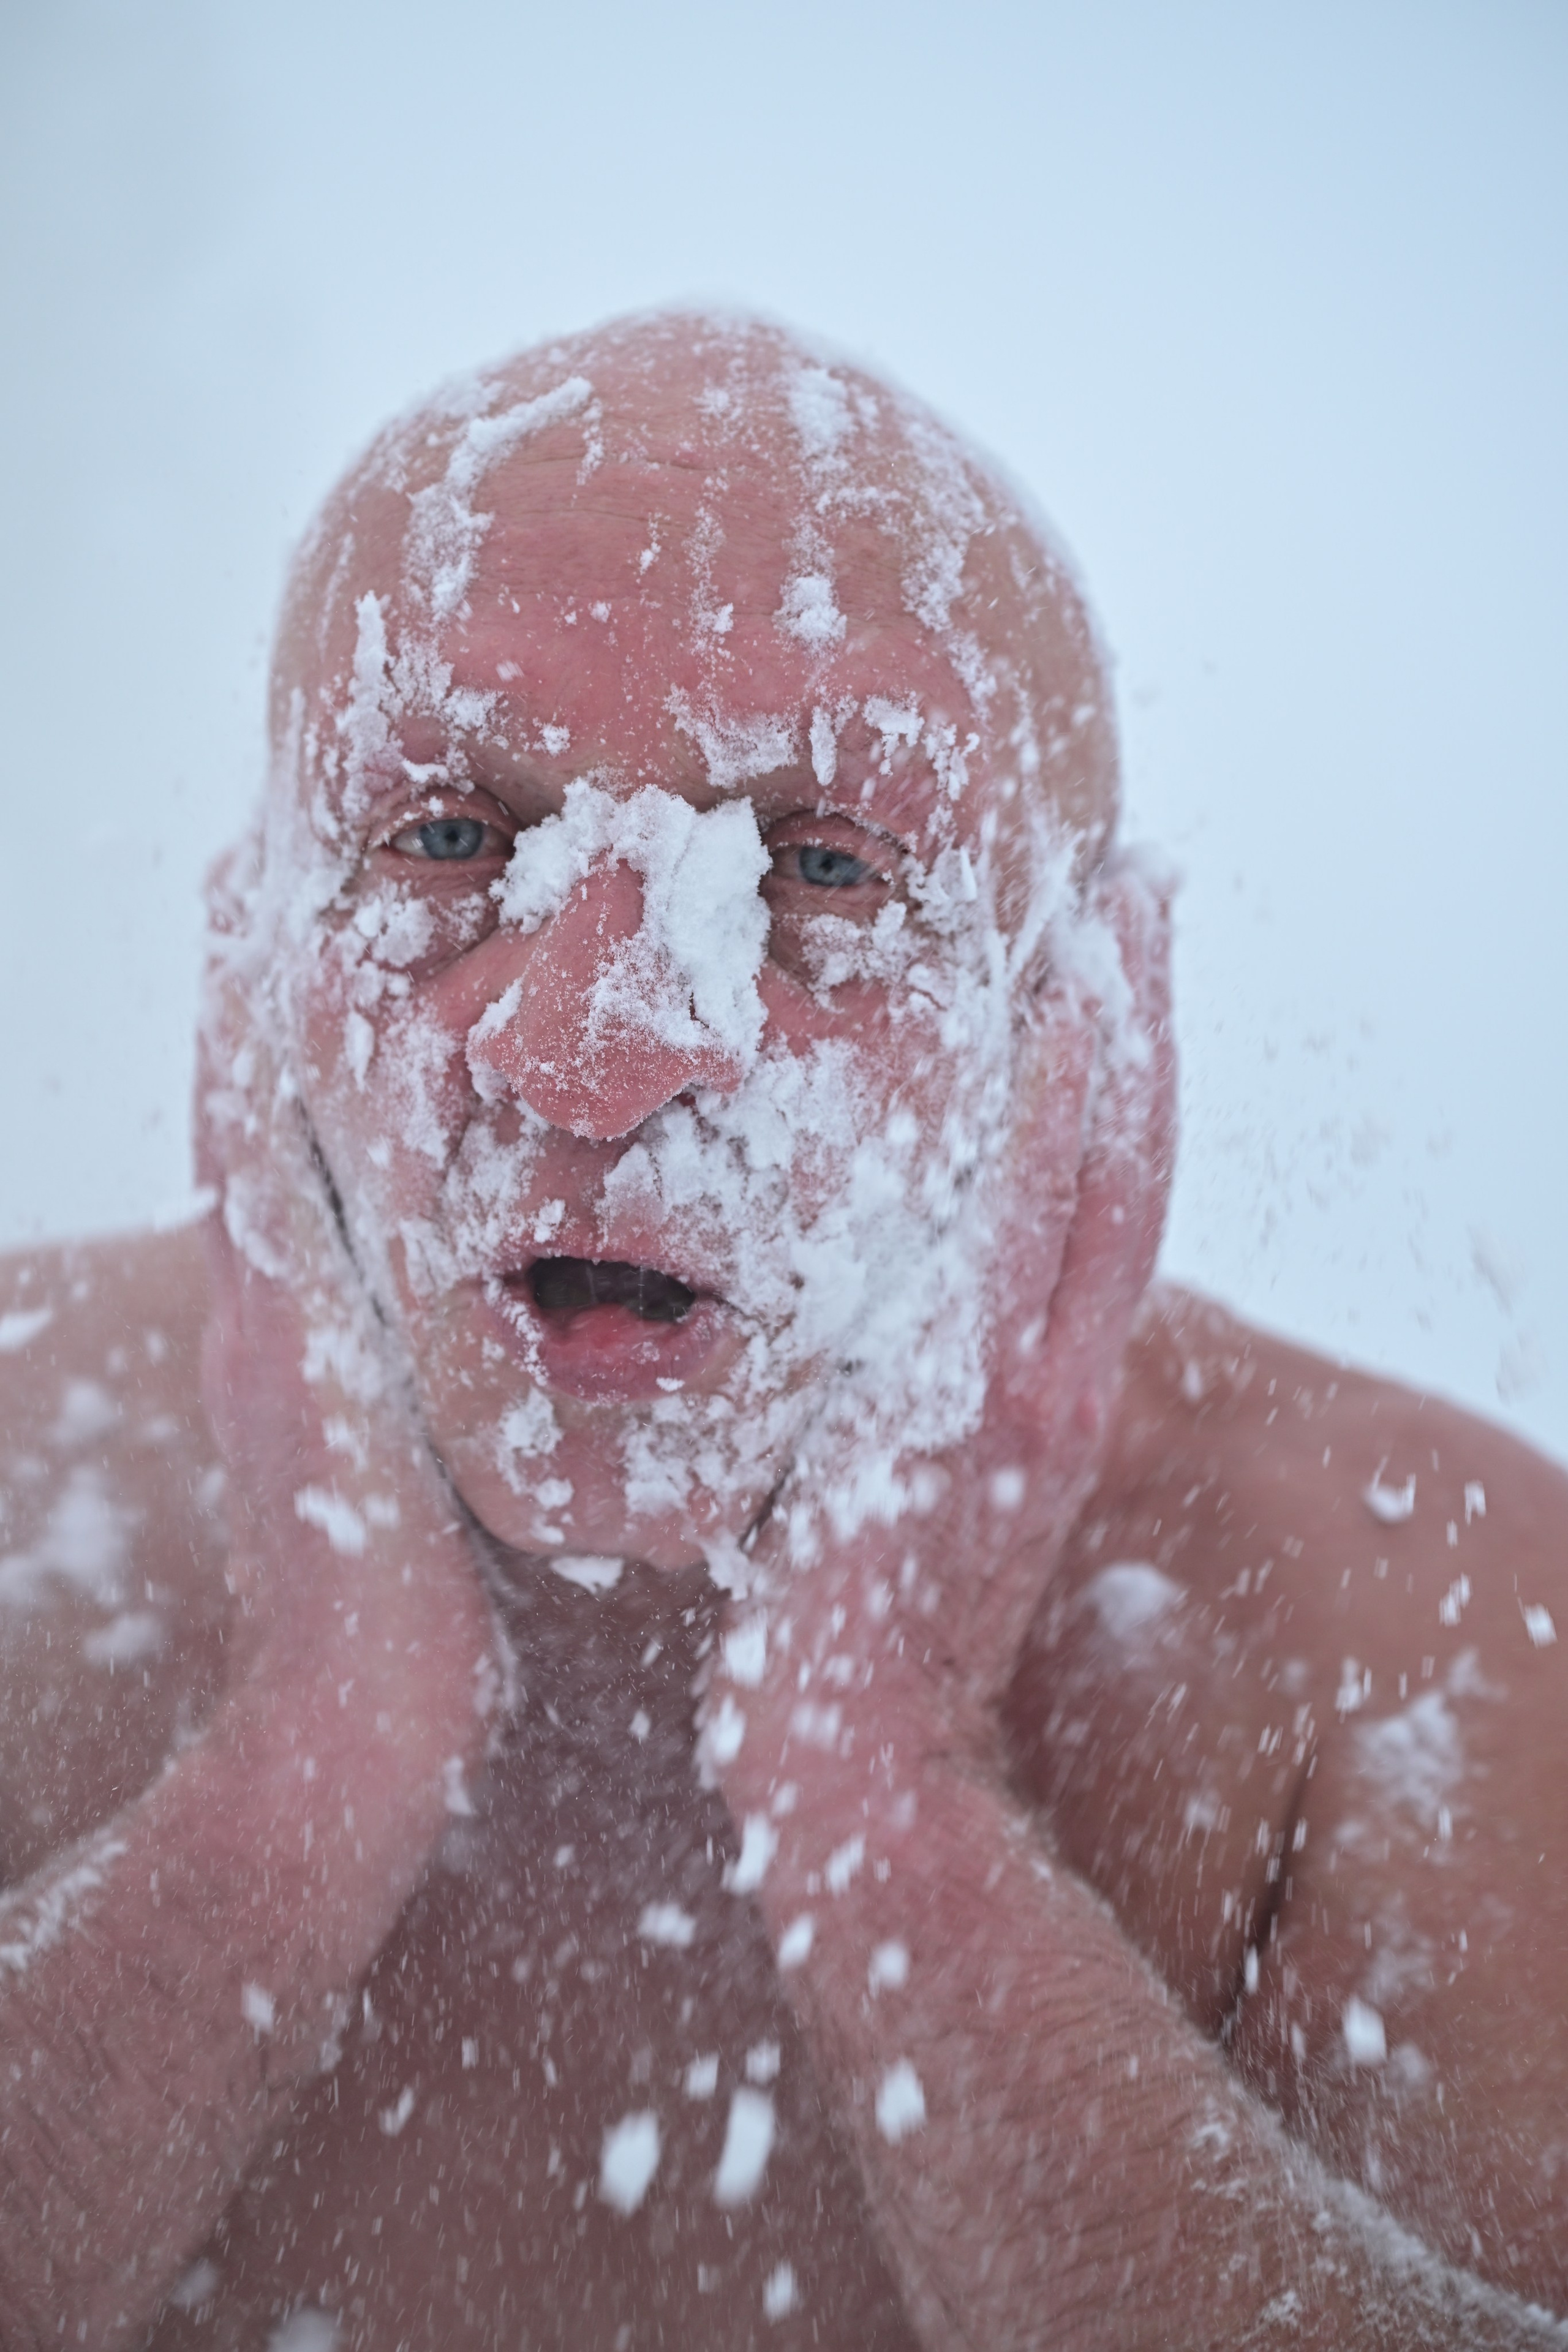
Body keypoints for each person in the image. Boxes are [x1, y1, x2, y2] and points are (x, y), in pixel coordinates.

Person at [1, 310, 1565, 2352]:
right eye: (453, 840)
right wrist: (293, 1791)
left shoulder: (1410, 1627)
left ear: (1074, 1024)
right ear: (260, 956)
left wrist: (895, 1820)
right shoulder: (25, 1496)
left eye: (824, 874)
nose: (597, 1049)